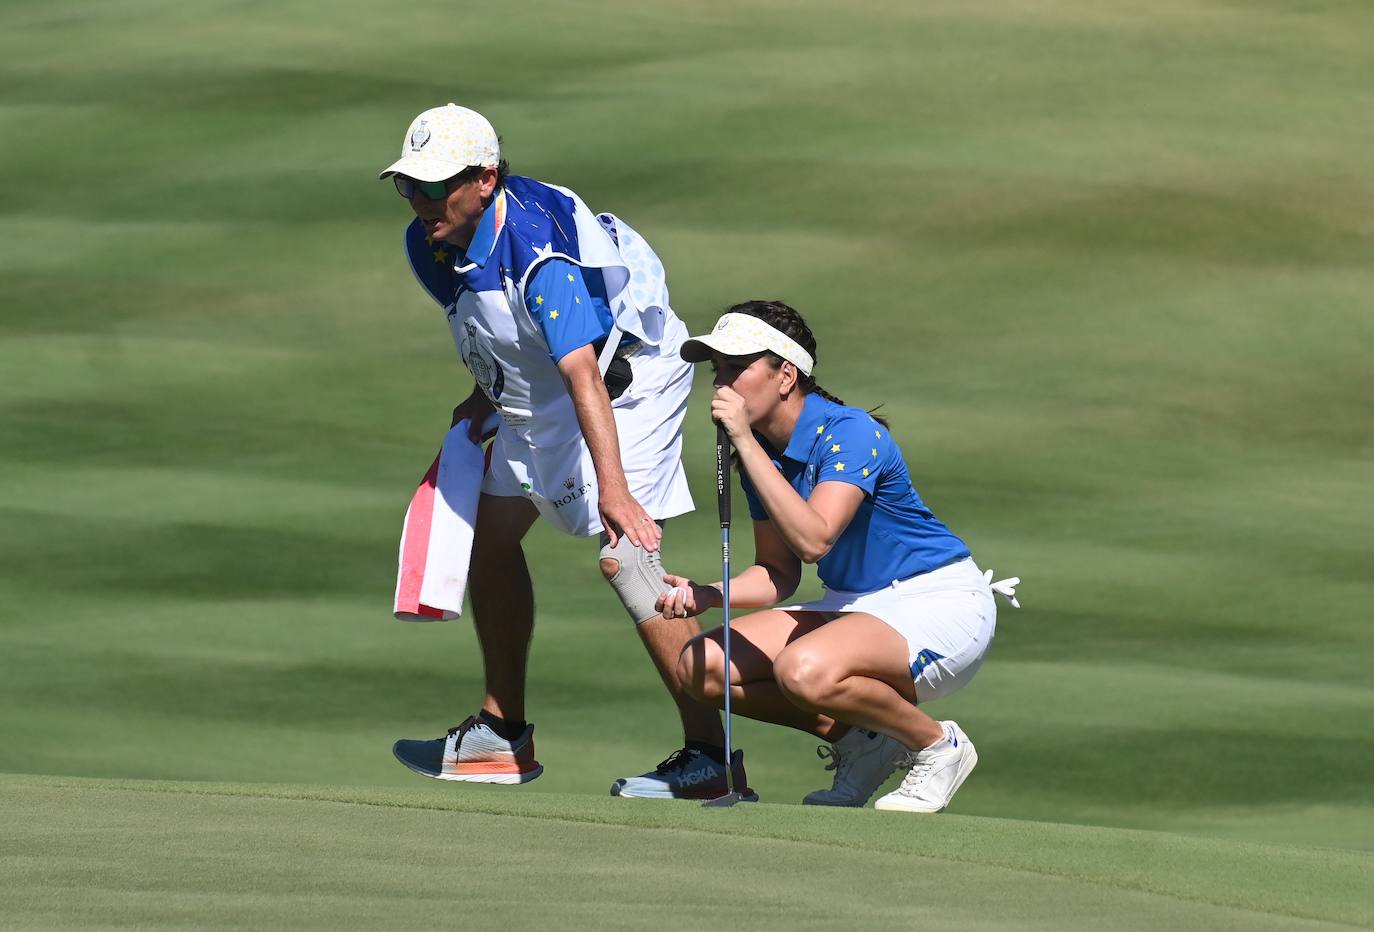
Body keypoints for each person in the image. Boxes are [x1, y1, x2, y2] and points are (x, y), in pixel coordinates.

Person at [381, 104, 751, 800]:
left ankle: (713, 759)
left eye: (435, 186)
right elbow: (490, 325)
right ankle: (501, 738)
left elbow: (585, 372)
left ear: (485, 180)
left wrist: (615, 492)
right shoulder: (430, 242)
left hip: (629, 379)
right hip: (552, 385)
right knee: (489, 539)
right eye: (409, 185)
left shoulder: (537, 251)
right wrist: (484, 395)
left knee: (628, 556)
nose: (420, 201)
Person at [659, 300, 1019, 811]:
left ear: (786, 376)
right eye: (717, 370)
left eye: (738, 369)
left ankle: (938, 745)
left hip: (940, 603)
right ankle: (864, 742)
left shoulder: (850, 433)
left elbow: (814, 541)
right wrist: (707, 594)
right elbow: (777, 572)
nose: (721, 385)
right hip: (857, 607)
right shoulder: (764, 454)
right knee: (701, 668)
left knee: (802, 670)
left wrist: (742, 438)